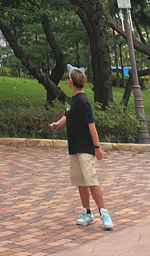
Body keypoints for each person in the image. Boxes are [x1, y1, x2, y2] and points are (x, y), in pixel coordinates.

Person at [49, 68, 113, 230]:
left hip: (85, 147)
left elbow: (91, 126)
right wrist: (58, 124)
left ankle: (104, 213)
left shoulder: (83, 101)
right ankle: (87, 212)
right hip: (74, 146)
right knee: (81, 181)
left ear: (70, 82)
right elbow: (68, 115)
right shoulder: (73, 100)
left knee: (90, 179)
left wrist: (97, 147)